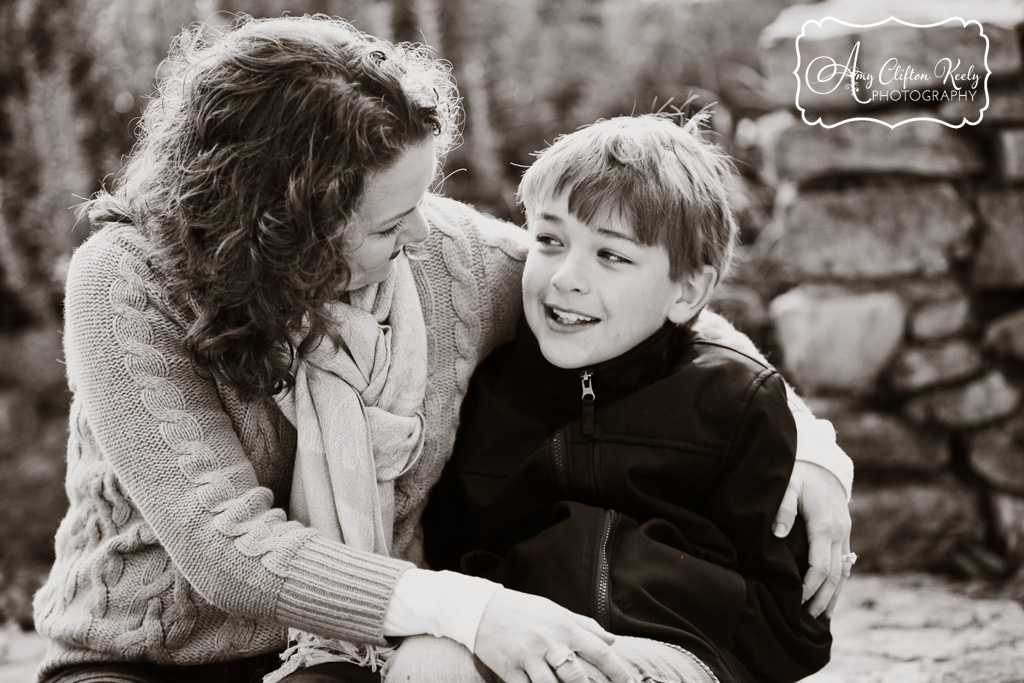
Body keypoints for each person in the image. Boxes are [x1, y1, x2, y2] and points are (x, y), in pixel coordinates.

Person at [34, 14, 851, 683]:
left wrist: (814, 453)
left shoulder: (438, 261)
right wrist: (474, 609)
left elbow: (664, 313)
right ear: (286, 224)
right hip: (140, 657)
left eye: (424, 200)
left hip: (339, 653)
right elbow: (224, 547)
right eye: (390, 221)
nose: (422, 233)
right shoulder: (127, 282)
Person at [383, 115, 840, 683]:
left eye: (612, 255)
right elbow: (454, 543)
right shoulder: (487, 386)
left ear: (688, 291)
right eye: (549, 241)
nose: (566, 277)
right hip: (522, 638)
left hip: (671, 652)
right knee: (427, 663)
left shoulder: (732, 400)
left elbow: (775, 593)